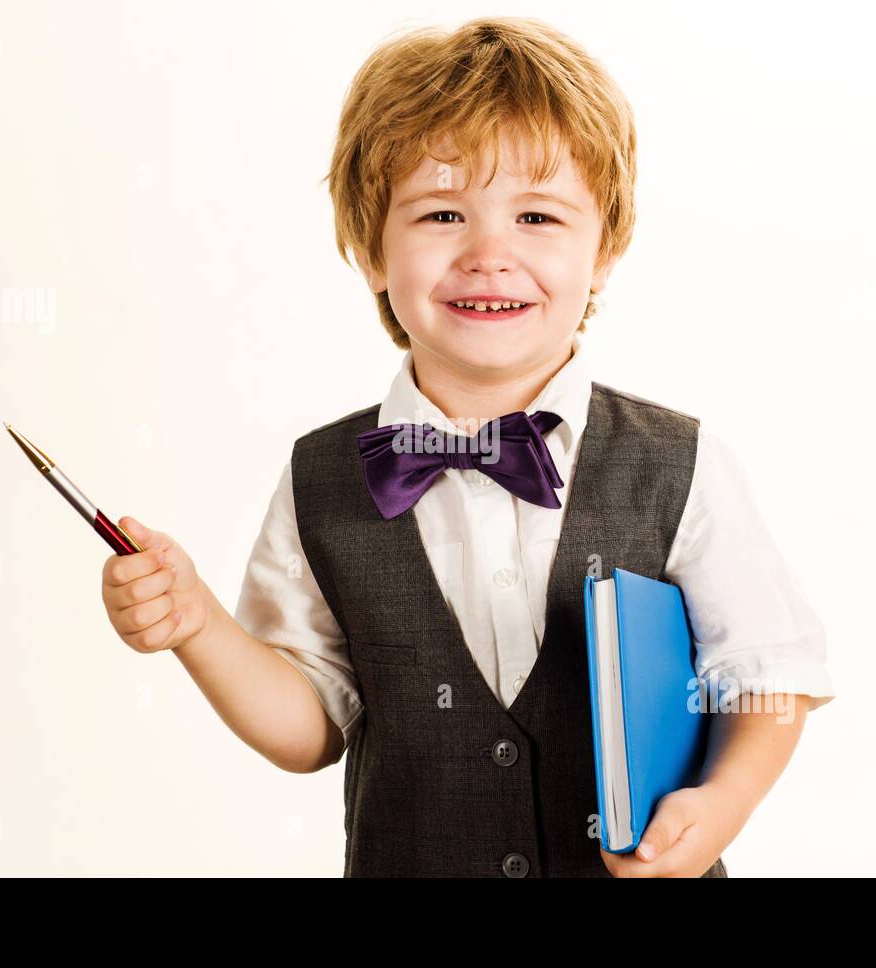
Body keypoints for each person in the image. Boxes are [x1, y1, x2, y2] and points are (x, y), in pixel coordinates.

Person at [100, 16, 836, 877]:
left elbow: (765, 677)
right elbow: (307, 730)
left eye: (537, 216)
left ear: (606, 251)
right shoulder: (321, 479)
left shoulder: (681, 462)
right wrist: (197, 626)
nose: (491, 254)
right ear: (371, 247)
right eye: (444, 213)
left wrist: (722, 805)